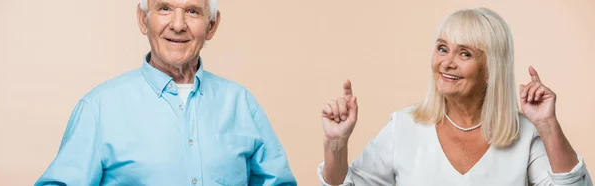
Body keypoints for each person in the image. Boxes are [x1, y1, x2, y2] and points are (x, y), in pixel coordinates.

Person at [318, 7, 592, 186]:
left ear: (490, 68)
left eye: (465, 53)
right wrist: (335, 144)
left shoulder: (525, 135)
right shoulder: (403, 127)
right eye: (442, 48)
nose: (447, 62)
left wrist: (547, 124)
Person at [35, 0, 296, 185]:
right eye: (165, 8)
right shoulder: (98, 108)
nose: (178, 24)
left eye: (193, 11)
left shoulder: (241, 103)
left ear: (212, 25)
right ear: (143, 19)